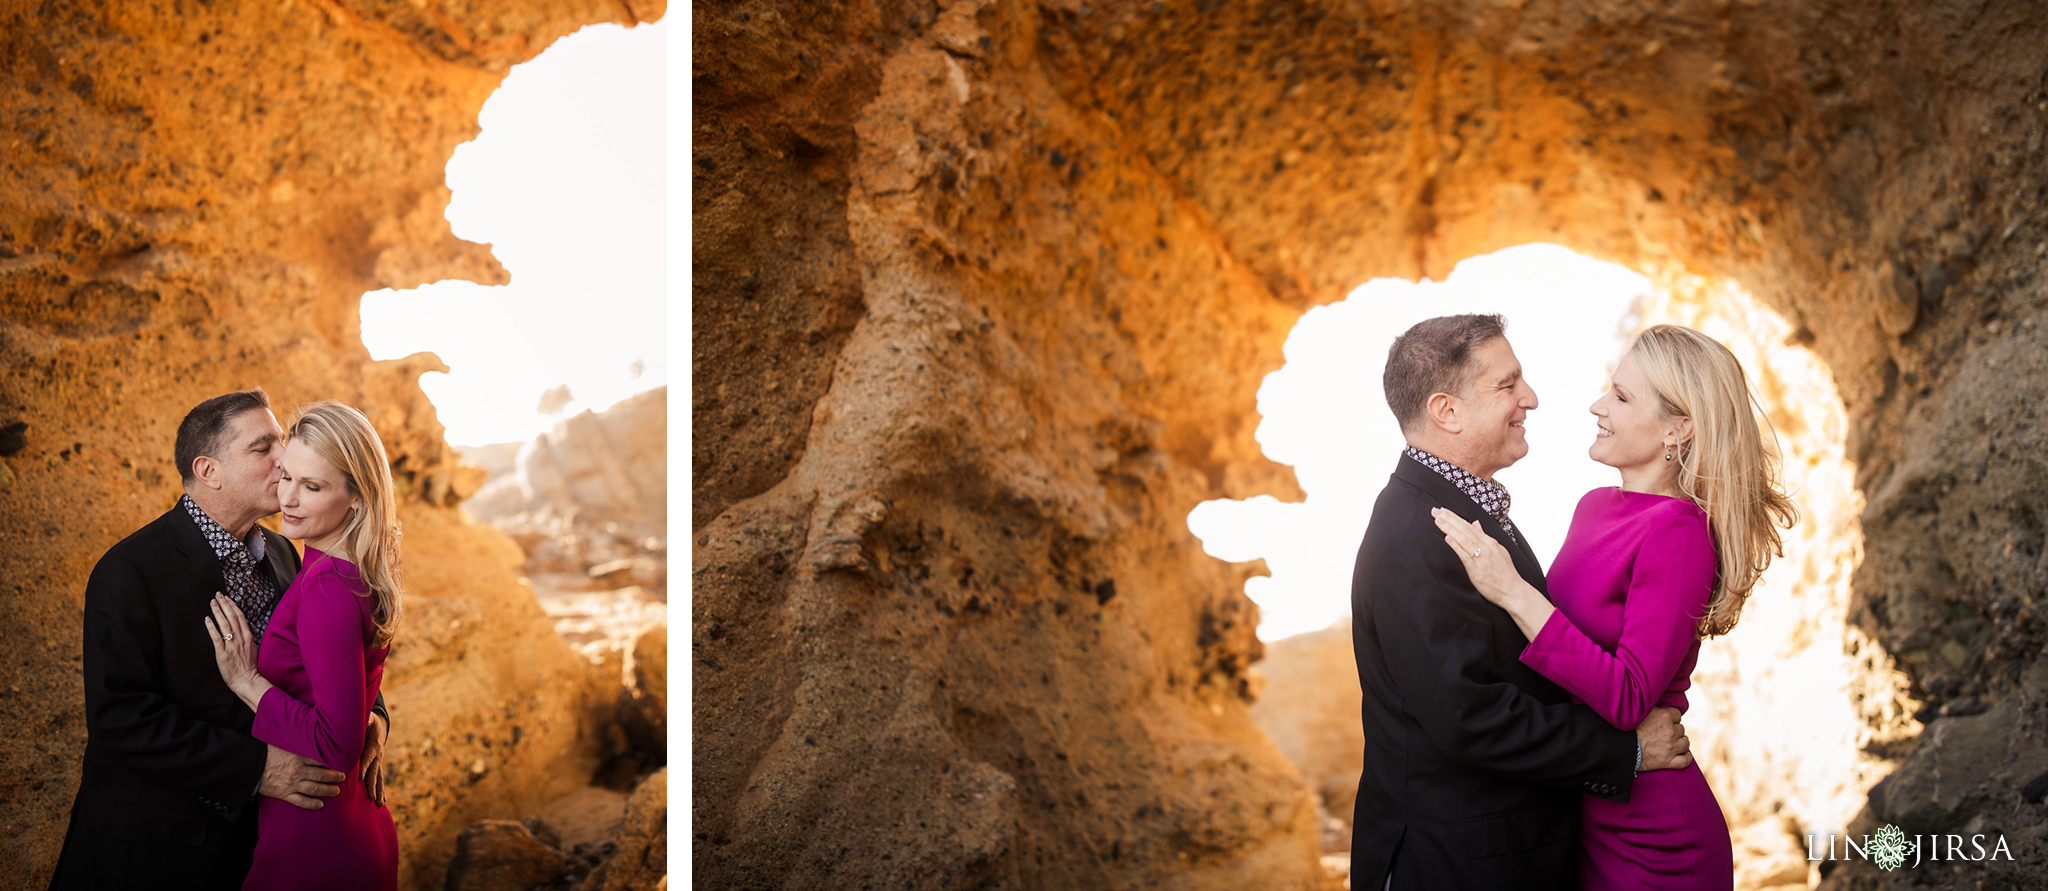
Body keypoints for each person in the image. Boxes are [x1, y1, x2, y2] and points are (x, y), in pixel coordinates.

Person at [1431, 324, 1796, 889]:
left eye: (1622, 398)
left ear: (1680, 427)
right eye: (1610, 390)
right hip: (1583, 811)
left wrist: (1510, 589)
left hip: (1654, 835)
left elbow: (1628, 697)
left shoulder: (1678, 533)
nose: (1598, 406)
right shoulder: (1595, 506)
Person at [1349, 314, 1694, 891]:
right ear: (1447, 411)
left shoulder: (1462, 513)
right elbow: (1468, 718)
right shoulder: (1417, 535)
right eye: (1508, 385)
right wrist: (1626, 751)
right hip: (1459, 866)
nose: (1530, 399)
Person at [49, 390, 387, 890]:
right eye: (263, 448)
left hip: (259, 844)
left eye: (282, 441)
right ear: (209, 471)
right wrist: (255, 770)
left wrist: (373, 715)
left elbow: (326, 652)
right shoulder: (129, 571)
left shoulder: (284, 550)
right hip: (159, 850)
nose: (284, 457)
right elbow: (120, 719)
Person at [205, 401, 404, 891]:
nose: (288, 499)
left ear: (357, 498)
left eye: (312, 487)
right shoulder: (332, 567)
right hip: (347, 820)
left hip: (314, 839)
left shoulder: (327, 587)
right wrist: (371, 716)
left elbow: (338, 746)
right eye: (287, 476)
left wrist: (247, 682)